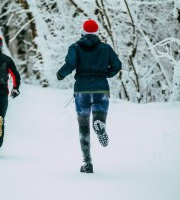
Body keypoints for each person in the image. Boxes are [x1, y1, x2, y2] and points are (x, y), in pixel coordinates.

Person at [56, 20, 122, 173]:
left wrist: (60, 74)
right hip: (101, 89)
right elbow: (117, 65)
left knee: (83, 127)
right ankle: (99, 123)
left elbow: (70, 64)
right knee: (99, 116)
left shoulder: (76, 47)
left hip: (82, 91)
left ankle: (87, 162)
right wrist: (105, 74)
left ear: (83, 32)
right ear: (97, 32)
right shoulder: (106, 48)